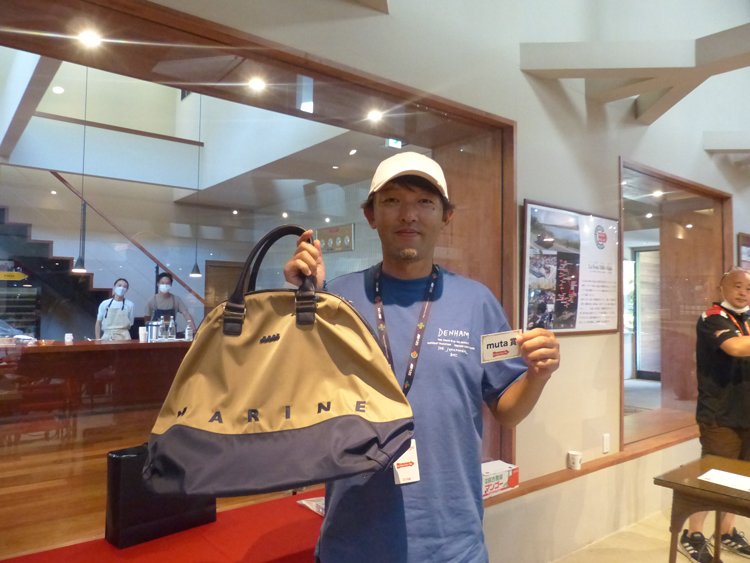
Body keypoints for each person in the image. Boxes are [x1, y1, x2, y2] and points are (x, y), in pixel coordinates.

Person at [283, 152, 560, 563]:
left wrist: (537, 375)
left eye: (425, 202)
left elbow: (506, 410)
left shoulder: (477, 302)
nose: (408, 215)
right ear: (371, 214)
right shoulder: (336, 299)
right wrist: (304, 302)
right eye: (393, 200)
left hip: (453, 543)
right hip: (352, 542)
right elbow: (295, 399)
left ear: (446, 216)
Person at [682, 266, 750, 563]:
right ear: (722, 288)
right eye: (737, 286)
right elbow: (735, 347)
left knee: (741, 478)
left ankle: (726, 532)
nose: (743, 292)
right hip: (720, 415)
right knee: (715, 478)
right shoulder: (712, 318)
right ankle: (692, 534)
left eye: (749, 288)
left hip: (747, 413)